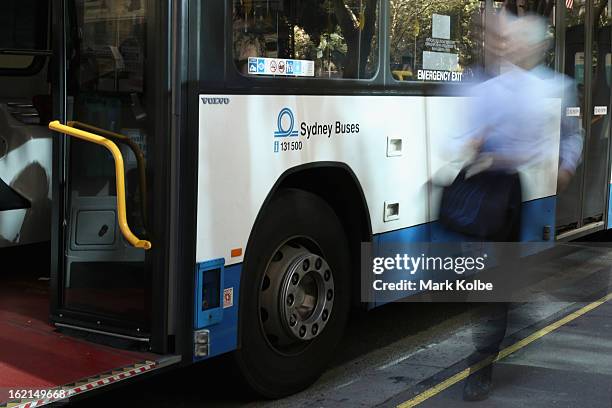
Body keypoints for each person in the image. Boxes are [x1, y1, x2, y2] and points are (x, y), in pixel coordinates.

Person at [440, 13, 583, 401]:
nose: (511, 45)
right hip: (480, 187)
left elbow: (573, 134)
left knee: (497, 281)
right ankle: (490, 344)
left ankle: (484, 360)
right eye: (508, 39)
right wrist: (472, 143)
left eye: (519, 40)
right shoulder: (484, 87)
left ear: (536, 48)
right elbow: (456, 137)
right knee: (487, 283)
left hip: (511, 193)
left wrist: (566, 166)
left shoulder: (557, 87)